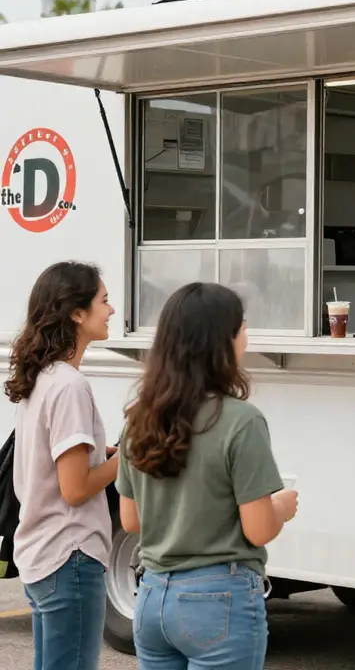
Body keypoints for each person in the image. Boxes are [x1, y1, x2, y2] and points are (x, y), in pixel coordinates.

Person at [116, 281, 298, 669]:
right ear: (220, 343)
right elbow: (259, 530)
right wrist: (280, 506)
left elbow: (131, 520)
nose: (246, 335)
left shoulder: (138, 420)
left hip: (150, 597)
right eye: (242, 327)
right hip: (219, 599)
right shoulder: (241, 421)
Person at [4, 261, 119, 670]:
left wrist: (100, 454)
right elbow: (75, 488)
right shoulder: (70, 386)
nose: (111, 310)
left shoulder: (42, 378)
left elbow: (52, 464)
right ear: (76, 312)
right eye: (103, 300)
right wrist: (128, 459)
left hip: (41, 553)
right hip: (70, 554)